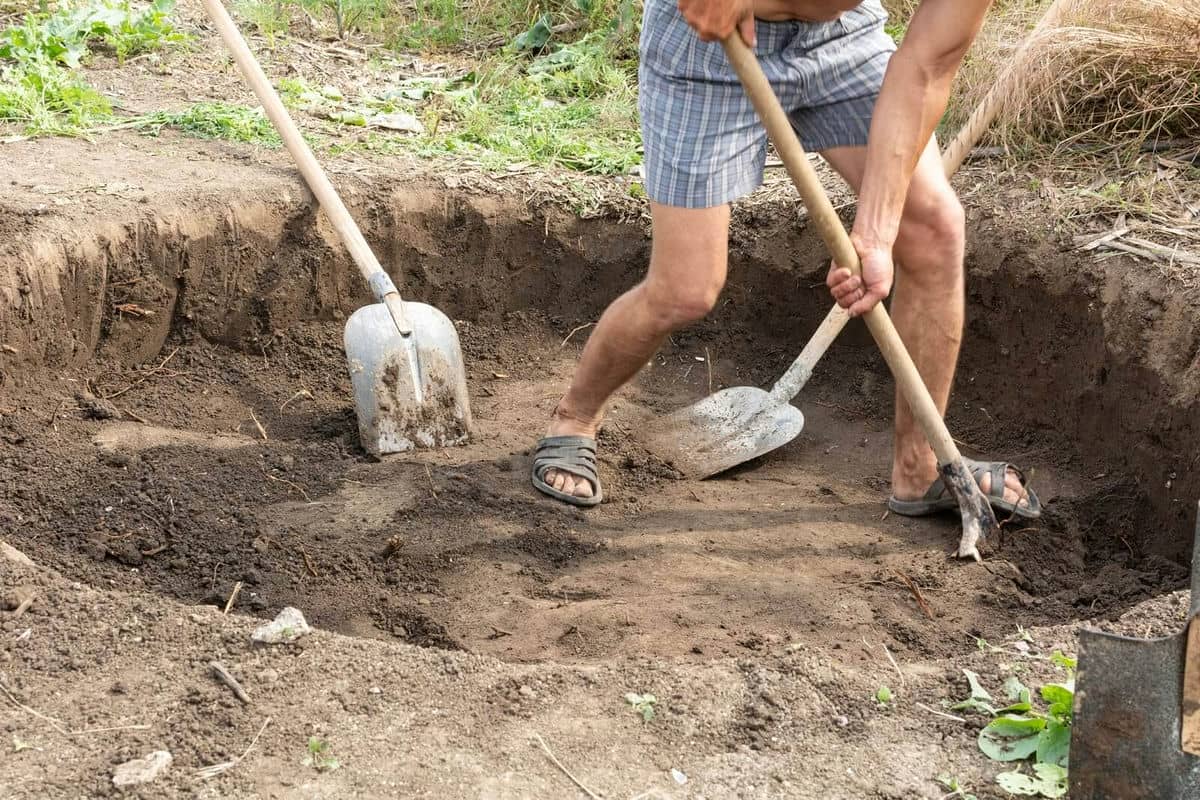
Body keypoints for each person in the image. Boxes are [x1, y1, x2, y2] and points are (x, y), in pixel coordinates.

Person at [530, 0, 1040, 522]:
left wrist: (875, 235)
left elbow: (926, 68)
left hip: (839, 38)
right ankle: (575, 416)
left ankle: (920, 468)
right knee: (685, 288)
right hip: (707, 44)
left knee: (933, 228)